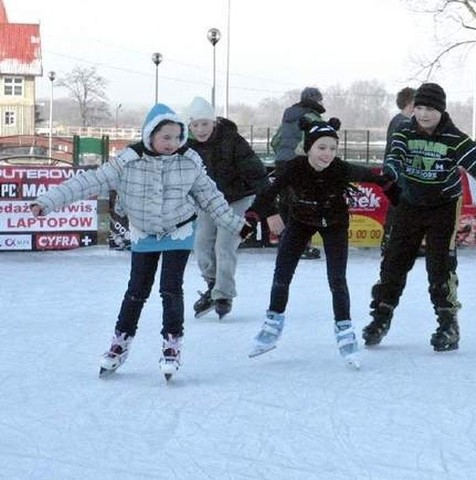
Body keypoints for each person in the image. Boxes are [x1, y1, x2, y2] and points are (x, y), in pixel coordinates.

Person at [30, 103, 254, 380]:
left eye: (177, 137)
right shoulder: (127, 161)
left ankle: (172, 343)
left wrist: (236, 226)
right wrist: (46, 202)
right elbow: (87, 182)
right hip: (144, 232)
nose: (172, 143)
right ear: (150, 135)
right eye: (166, 137)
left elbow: (211, 198)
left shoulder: (189, 161)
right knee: (137, 289)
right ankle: (119, 343)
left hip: (178, 231)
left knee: (171, 289)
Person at [362, 83, 476, 352]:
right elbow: (394, 158)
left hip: (442, 208)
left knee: (440, 267)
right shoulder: (403, 131)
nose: (423, 114)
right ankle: (381, 318)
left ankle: (448, 324)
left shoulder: (455, 139)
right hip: (407, 206)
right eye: (419, 108)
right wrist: (391, 173)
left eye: (430, 109)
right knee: (393, 263)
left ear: (441, 110)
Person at [245, 117, 397, 368]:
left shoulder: (341, 169)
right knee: (282, 273)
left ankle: (345, 332)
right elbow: (268, 194)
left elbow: (377, 179)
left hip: (335, 225)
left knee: (337, 279)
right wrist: (251, 219)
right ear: (309, 149)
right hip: (300, 222)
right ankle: (272, 326)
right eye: (321, 148)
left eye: (332, 148)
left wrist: (396, 192)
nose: (327, 154)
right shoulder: (294, 168)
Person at [185, 96, 271, 319]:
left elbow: (256, 172)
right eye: (195, 125)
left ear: (214, 122)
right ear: (190, 126)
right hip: (208, 201)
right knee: (201, 244)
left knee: (225, 245)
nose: (201, 129)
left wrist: (270, 207)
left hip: (237, 199)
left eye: (205, 123)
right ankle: (213, 284)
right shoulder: (188, 146)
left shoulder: (232, 140)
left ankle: (223, 295)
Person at [272, 86, 326, 260]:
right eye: (320, 100)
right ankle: (301, 246)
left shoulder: (288, 116)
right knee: (302, 204)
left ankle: (285, 244)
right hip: (299, 164)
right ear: (315, 100)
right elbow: (311, 143)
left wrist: (282, 156)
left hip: (281, 162)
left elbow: (275, 141)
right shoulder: (312, 117)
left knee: (285, 203)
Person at [381, 87, 416, 255]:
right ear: (411, 103)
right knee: (400, 206)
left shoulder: (398, 120)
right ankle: (391, 242)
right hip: (399, 171)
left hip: (395, 169)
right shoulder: (403, 122)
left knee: (399, 206)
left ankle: (392, 241)